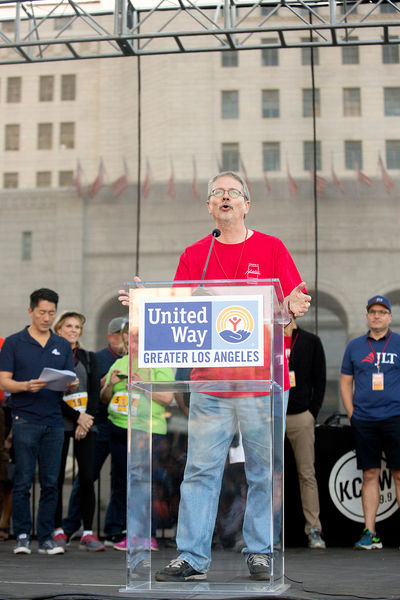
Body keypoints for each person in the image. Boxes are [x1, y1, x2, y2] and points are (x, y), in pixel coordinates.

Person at [120, 171, 311, 581]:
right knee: (201, 471)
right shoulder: (196, 254)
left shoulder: (271, 247)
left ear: (246, 204)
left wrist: (293, 304)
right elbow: (176, 315)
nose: (225, 198)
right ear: (209, 206)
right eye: (217, 193)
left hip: (261, 384)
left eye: (233, 193)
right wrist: (144, 301)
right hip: (211, 384)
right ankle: (191, 557)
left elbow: (292, 303)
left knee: (262, 472)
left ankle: (260, 551)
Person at [0, 288, 78, 555]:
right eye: (42, 312)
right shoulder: (13, 342)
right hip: (24, 418)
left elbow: (66, 383)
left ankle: (45, 537)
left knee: (50, 481)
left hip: (54, 419)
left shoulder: (61, 345)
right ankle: (22, 535)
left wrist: (71, 384)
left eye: (51, 313)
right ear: (30, 311)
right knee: (22, 480)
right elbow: (4, 380)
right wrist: (24, 386)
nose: (46, 318)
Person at [100, 322, 173, 552]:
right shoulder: (121, 361)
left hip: (148, 429)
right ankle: (126, 532)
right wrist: (109, 385)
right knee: (124, 481)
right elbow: (104, 397)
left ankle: (147, 535)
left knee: (145, 482)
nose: (134, 342)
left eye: (139, 338)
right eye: (131, 338)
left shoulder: (160, 361)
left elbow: (167, 397)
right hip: (120, 428)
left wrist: (141, 385)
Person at [340, 295, 400, 551]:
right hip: (364, 419)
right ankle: (370, 533)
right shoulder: (355, 346)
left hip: (395, 417)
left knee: (399, 474)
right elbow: (345, 381)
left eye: (382, 312)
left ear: (389, 316)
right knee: (370, 474)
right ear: (367, 316)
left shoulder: (398, 343)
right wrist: (352, 413)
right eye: (373, 311)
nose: (377, 315)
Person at [61, 316, 127, 545]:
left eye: (129, 332)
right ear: (111, 336)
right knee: (87, 477)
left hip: (122, 424)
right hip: (97, 423)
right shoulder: (97, 357)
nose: (126, 337)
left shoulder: (135, 360)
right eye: (121, 333)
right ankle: (70, 526)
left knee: (120, 478)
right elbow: (90, 390)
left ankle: (114, 529)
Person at [52, 311, 104, 552]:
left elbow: (94, 393)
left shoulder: (88, 357)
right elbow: (51, 395)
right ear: (59, 328)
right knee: (56, 477)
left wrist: (86, 420)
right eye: (68, 326)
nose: (73, 330)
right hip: (60, 423)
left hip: (86, 424)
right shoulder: (50, 355)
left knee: (86, 478)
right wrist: (77, 417)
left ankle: (88, 531)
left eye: (77, 327)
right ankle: (58, 530)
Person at [284, 319, 326, 549]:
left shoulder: (310, 341)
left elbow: (320, 380)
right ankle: (268, 534)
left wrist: (312, 413)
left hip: (301, 415)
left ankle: (313, 530)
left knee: (307, 474)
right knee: (268, 476)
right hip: (273, 416)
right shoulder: (268, 337)